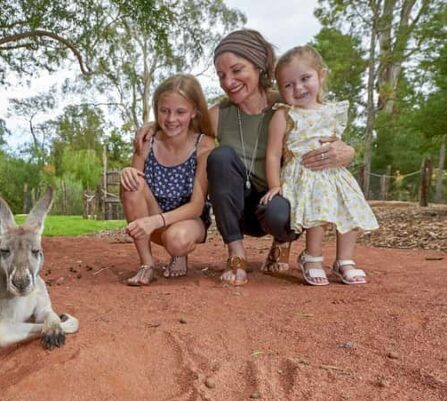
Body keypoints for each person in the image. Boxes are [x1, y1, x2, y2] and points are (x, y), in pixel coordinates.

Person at [137, 29, 356, 285]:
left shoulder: (289, 105)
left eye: (237, 70)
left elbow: (322, 128)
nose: (228, 81)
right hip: (239, 207)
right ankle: (236, 254)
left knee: (278, 212)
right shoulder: (219, 114)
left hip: (280, 204)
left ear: (259, 66)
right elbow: (180, 123)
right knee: (220, 156)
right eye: (221, 75)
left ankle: (282, 241)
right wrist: (154, 126)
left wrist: (348, 151)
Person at [262, 45, 379, 285]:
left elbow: (337, 144)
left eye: (305, 78)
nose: (298, 88)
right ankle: (312, 257)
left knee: (350, 209)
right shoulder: (284, 115)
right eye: (288, 85)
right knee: (319, 210)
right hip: (303, 174)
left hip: (333, 173)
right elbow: (273, 154)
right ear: (280, 89)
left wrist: (345, 151)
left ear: (321, 75)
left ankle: (345, 261)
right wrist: (274, 185)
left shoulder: (332, 111)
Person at [120, 74, 215, 286]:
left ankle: (179, 254)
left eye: (180, 112)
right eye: (164, 111)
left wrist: (153, 221)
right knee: (132, 181)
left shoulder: (205, 145)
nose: (171, 119)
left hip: (188, 222)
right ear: (156, 110)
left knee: (176, 241)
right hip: (151, 221)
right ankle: (146, 264)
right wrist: (127, 172)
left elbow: (196, 207)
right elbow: (133, 192)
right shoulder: (147, 141)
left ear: (194, 112)